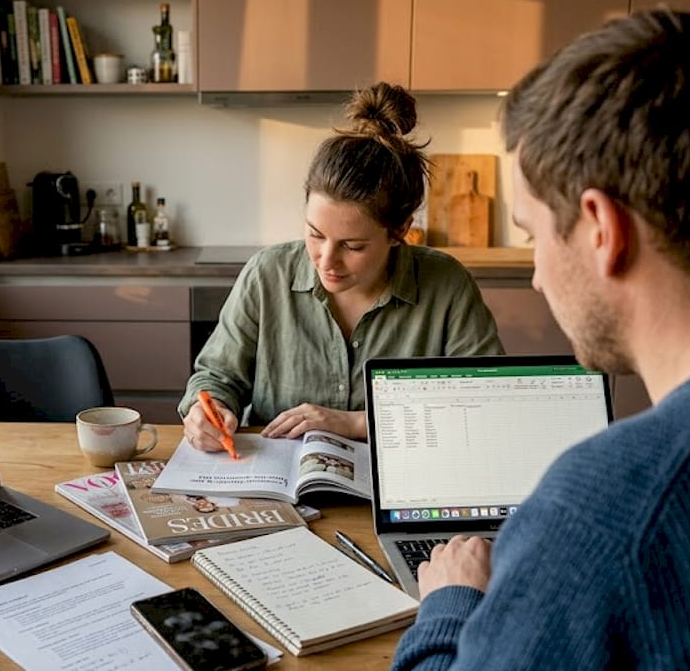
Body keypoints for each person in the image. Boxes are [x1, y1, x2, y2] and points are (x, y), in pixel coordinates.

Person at [380, 9, 690, 671]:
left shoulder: (607, 512)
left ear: (603, 229)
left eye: (533, 234)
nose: (537, 275)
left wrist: (449, 603)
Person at [181, 82, 502, 450]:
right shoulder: (266, 274)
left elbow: (484, 401)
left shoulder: (446, 285)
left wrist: (356, 423)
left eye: (352, 246)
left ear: (400, 231)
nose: (326, 260)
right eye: (315, 234)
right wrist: (209, 409)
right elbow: (216, 376)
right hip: (279, 489)